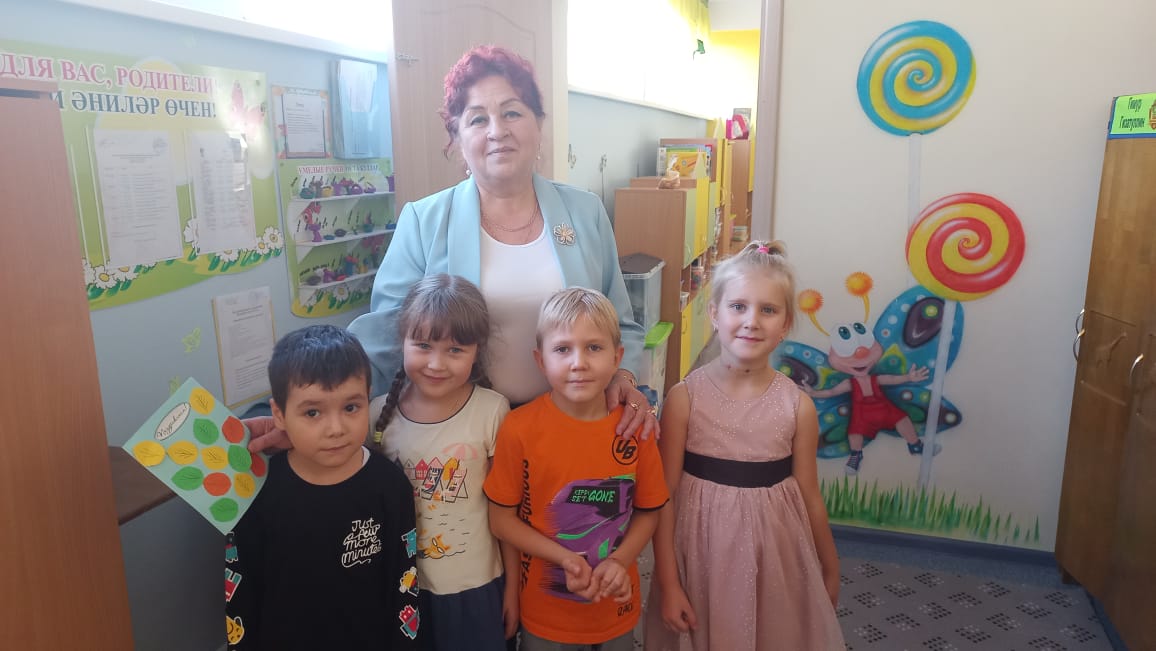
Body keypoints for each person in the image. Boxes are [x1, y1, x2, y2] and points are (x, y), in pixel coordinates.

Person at [348, 45, 656, 437]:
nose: (497, 131)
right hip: (459, 433)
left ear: (538, 124)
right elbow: (384, 340)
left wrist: (624, 376)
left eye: (512, 112)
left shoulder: (586, 212)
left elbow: (621, 322)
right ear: (458, 138)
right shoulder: (424, 221)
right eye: (478, 119)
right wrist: (325, 404)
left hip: (571, 422)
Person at [644, 242, 844, 651]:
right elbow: (663, 498)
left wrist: (830, 565)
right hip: (700, 559)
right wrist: (668, 583)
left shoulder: (798, 408)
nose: (752, 321)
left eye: (768, 310)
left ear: (785, 324)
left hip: (775, 560)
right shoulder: (684, 399)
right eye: (738, 306)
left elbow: (810, 496)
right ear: (714, 313)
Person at [483, 288, 669, 651]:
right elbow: (501, 520)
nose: (578, 362)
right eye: (562, 349)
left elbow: (649, 511)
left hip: (615, 609)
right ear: (540, 360)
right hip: (544, 615)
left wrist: (620, 560)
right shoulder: (518, 429)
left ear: (617, 358)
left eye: (593, 347)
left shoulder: (635, 428)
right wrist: (565, 558)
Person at [225, 325, 420, 650]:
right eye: (313, 412)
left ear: (368, 398)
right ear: (279, 415)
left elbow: (404, 585)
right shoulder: (256, 491)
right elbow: (240, 589)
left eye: (351, 407)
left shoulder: (390, 486)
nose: (336, 429)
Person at [369, 274, 517, 650]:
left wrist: (514, 589)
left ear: (476, 351)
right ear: (402, 340)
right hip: (403, 589)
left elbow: (507, 512)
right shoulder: (375, 416)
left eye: (455, 349)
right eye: (423, 345)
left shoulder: (492, 411)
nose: (436, 363)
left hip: (476, 588)